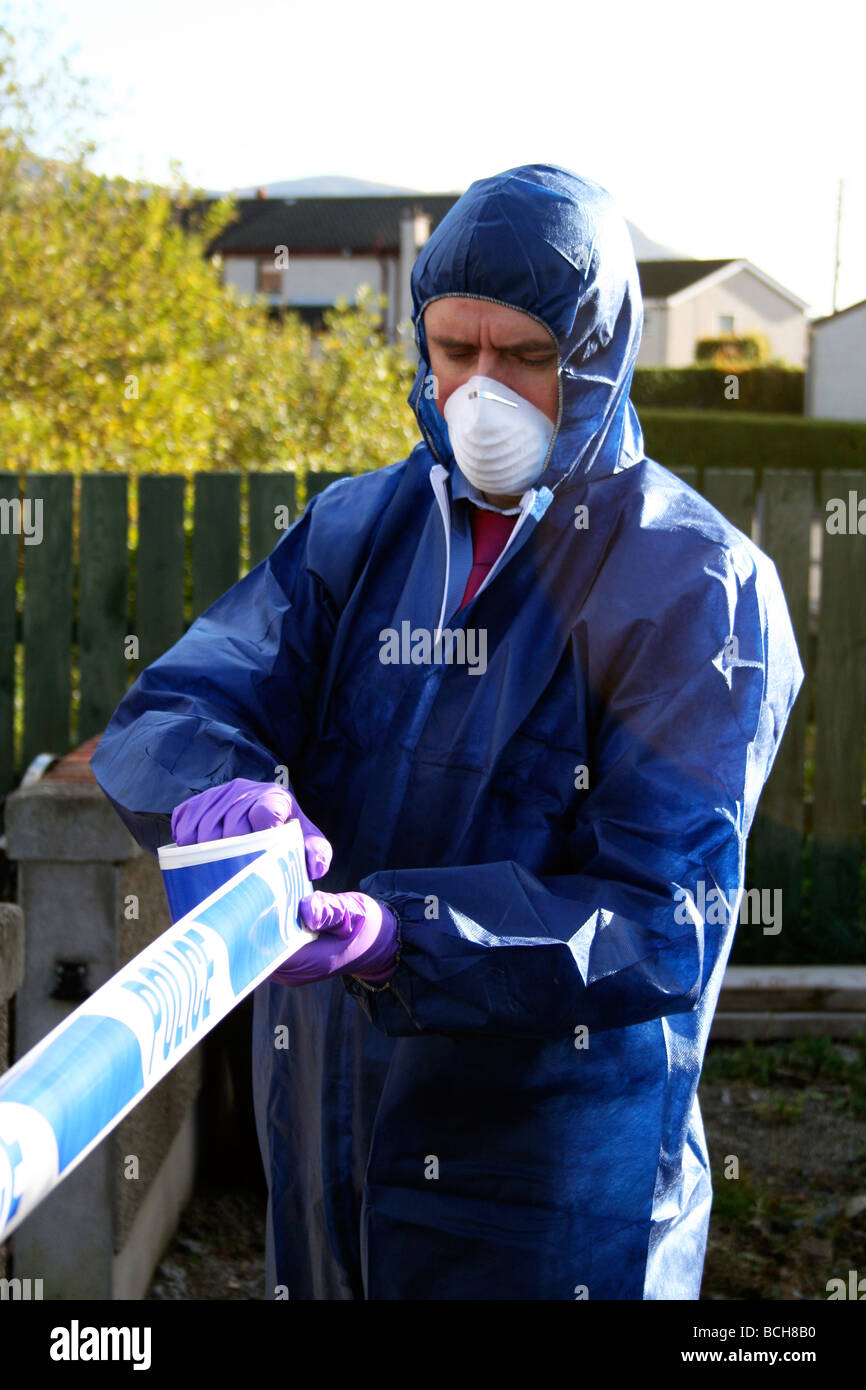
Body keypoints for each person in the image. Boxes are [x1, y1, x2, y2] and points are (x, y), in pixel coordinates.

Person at [90, 162, 804, 1300]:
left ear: (600, 356)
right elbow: (180, 703)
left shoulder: (693, 585)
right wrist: (212, 793)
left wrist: (402, 934)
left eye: (523, 357)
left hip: (548, 1185)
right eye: (452, 349)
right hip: (328, 1140)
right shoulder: (359, 529)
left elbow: (658, 917)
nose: (480, 390)